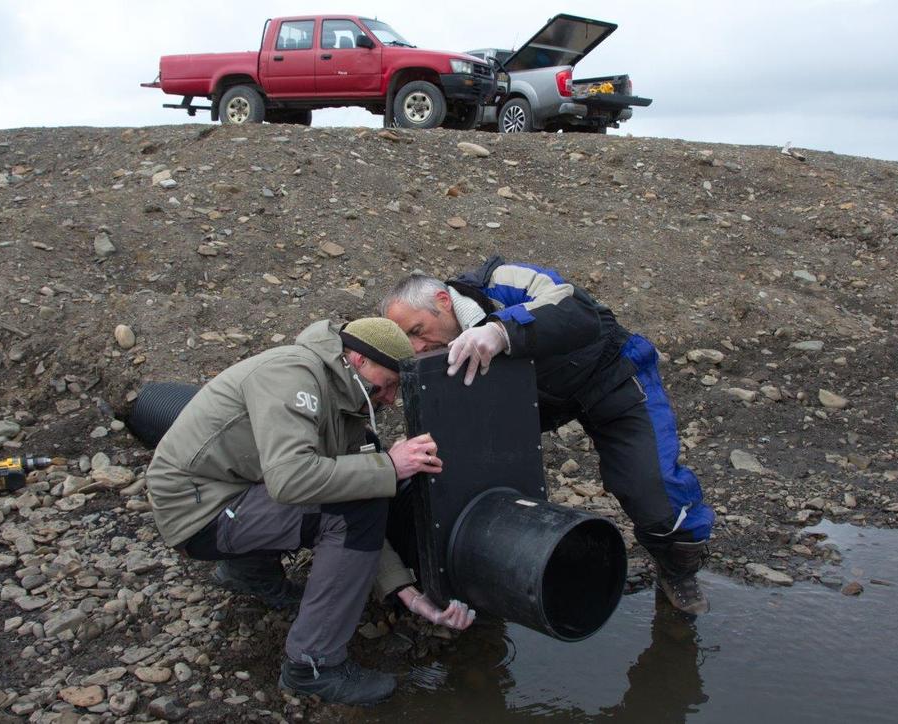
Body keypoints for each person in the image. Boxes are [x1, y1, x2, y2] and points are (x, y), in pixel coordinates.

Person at [146, 317, 474, 706]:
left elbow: (343, 484)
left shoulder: (345, 398)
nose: (388, 398)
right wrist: (389, 465)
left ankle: (248, 572)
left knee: (356, 485)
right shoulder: (291, 375)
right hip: (196, 511)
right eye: (386, 385)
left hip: (229, 491)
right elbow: (291, 482)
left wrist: (402, 589)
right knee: (355, 504)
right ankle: (313, 665)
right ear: (357, 360)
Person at [381, 257, 715, 615]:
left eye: (417, 331)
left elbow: (577, 310)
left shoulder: (499, 283)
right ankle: (472, 574)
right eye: (407, 340)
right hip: (538, 403)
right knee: (457, 468)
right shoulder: (436, 353)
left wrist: (500, 331)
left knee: (656, 493)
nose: (416, 347)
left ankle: (678, 568)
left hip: (611, 374)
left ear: (443, 301)